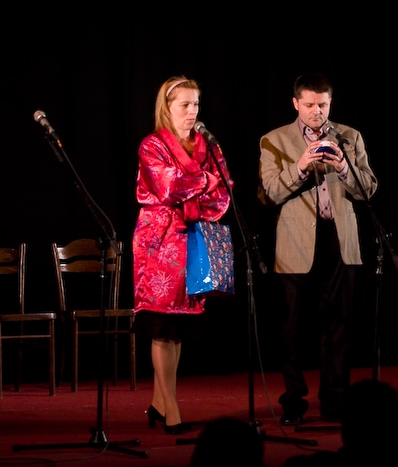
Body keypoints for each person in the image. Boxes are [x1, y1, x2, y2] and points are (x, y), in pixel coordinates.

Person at [258, 72, 378, 425]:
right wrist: (300, 166)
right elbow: (269, 194)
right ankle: (294, 403)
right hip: (295, 241)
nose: (317, 112)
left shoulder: (350, 136)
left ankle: (335, 402)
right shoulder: (274, 140)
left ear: (330, 103)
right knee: (292, 329)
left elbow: (368, 189)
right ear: (295, 103)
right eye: (309, 105)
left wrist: (342, 166)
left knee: (338, 326)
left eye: (323, 105)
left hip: (340, 240)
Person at [132, 75, 233, 435]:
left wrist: (205, 187)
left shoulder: (207, 144)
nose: (192, 111)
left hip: (193, 239)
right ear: (168, 107)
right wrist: (205, 182)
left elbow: (225, 191)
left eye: (196, 104)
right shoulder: (152, 145)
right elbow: (168, 186)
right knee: (162, 325)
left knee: (177, 329)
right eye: (185, 105)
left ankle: (160, 404)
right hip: (159, 241)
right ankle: (172, 409)